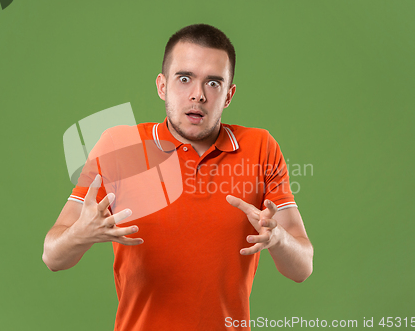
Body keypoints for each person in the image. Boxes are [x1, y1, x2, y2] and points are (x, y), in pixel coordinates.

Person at [42, 24, 313, 331]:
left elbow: (302, 267)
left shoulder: (261, 148)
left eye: (213, 83)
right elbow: (53, 256)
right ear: (162, 86)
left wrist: (279, 240)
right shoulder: (120, 146)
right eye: (185, 79)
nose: (197, 95)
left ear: (228, 95)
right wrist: (80, 233)